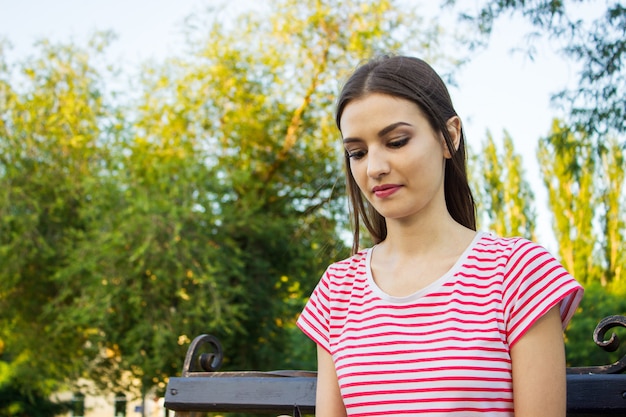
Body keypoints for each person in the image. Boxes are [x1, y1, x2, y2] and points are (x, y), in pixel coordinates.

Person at [296, 55, 584, 417]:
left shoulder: (519, 272)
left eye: (397, 141)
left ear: (450, 136)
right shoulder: (338, 289)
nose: (375, 167)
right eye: (357, 152)